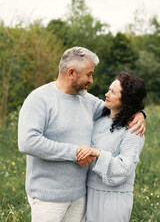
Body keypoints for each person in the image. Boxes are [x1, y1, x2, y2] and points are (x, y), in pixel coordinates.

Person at [18, 47, 145, 222]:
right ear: (71, 73)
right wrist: (75, 153)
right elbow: (28, 142)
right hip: (48, 198)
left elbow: (119, 107)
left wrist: (139, 113)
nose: (91, 80)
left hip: (80, 196)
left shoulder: (88, 101)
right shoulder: (39, 99)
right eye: (89, 74)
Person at [77, 72, 147, 222]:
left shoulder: (133, 129)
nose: (106, 94)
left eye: (113, 92)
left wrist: (97, 153)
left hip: (113, 200)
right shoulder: (99, 118)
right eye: (109, 89)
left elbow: (124, 168)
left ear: (126, 100)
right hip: (89, 194)